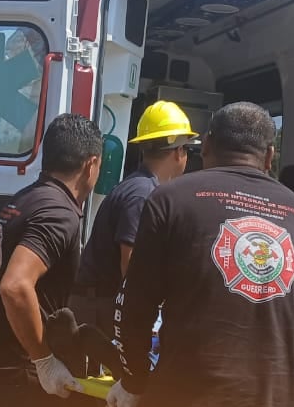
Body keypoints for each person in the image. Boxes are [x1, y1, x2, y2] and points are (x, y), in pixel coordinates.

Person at [105, 102, 294, 407]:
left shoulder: (170, 198)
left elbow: (134, 305)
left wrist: (133, 381)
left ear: (209, 147)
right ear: (269, 156)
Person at [0, 113, 104, 407]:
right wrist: (44, 360)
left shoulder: (25, 198)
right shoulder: (59, 211)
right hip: (18, 380)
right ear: (91, 164)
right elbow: (14, 286)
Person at [70, 101, 198, 346]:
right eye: (187, 150)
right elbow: (131, 264)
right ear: (178, 152)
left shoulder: (139, 186)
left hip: (99, 305)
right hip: (101, 310)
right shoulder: (142, 193)